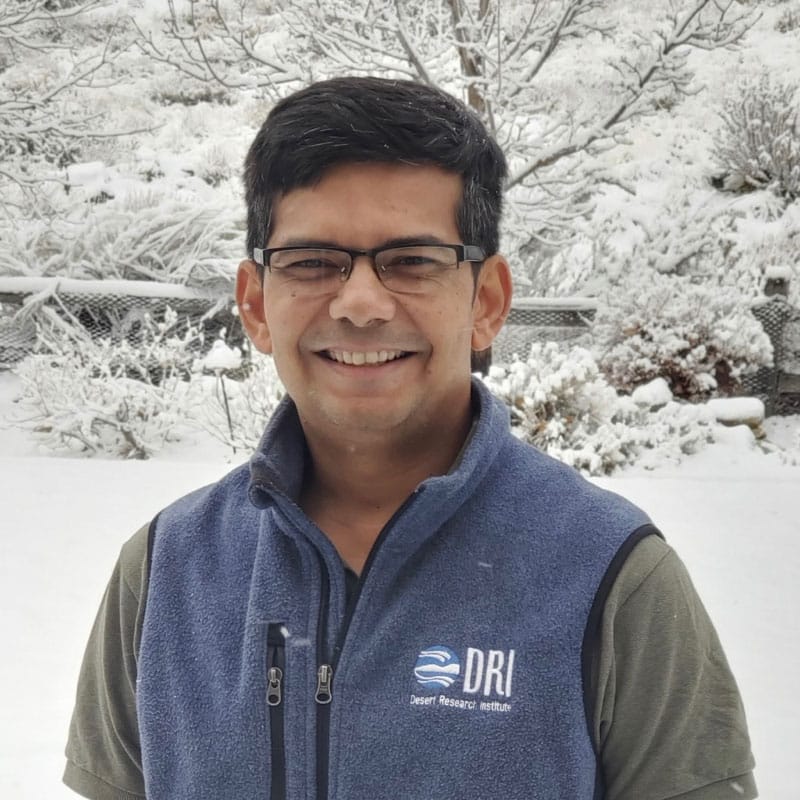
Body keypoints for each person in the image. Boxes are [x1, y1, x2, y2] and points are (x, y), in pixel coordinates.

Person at [63, 76, 757, 800]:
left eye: (413, 261)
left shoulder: (611, 577)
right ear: (255, 303)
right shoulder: (166, 572)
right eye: (312, 262)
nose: (361, 303)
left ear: (487, 301)